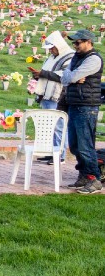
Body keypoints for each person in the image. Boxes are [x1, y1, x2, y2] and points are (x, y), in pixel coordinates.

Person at [60, 30, 103, 193]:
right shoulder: (76, 58)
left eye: (78, 43)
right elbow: (65, 78)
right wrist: (72, 76)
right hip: (74, 104)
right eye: (74, 43)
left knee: (85, 145)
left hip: (86, 106)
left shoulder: (94, 59)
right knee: (75, 145)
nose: (75, 46)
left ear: (88, 42)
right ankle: (84, 175)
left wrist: (72, 76)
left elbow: (69, 77)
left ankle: (94, 178)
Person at [29, 31, 74, 162]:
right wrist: (38, 74)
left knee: (59, 126)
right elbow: (47, 72)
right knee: (49, 126)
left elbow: (64, 75)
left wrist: (43, 74)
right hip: (46, 95)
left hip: (58, 96)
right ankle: (51, 151)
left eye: (52, 48)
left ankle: (60, 155)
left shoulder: (69, 56)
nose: (51, 51)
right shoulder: (53, 57)